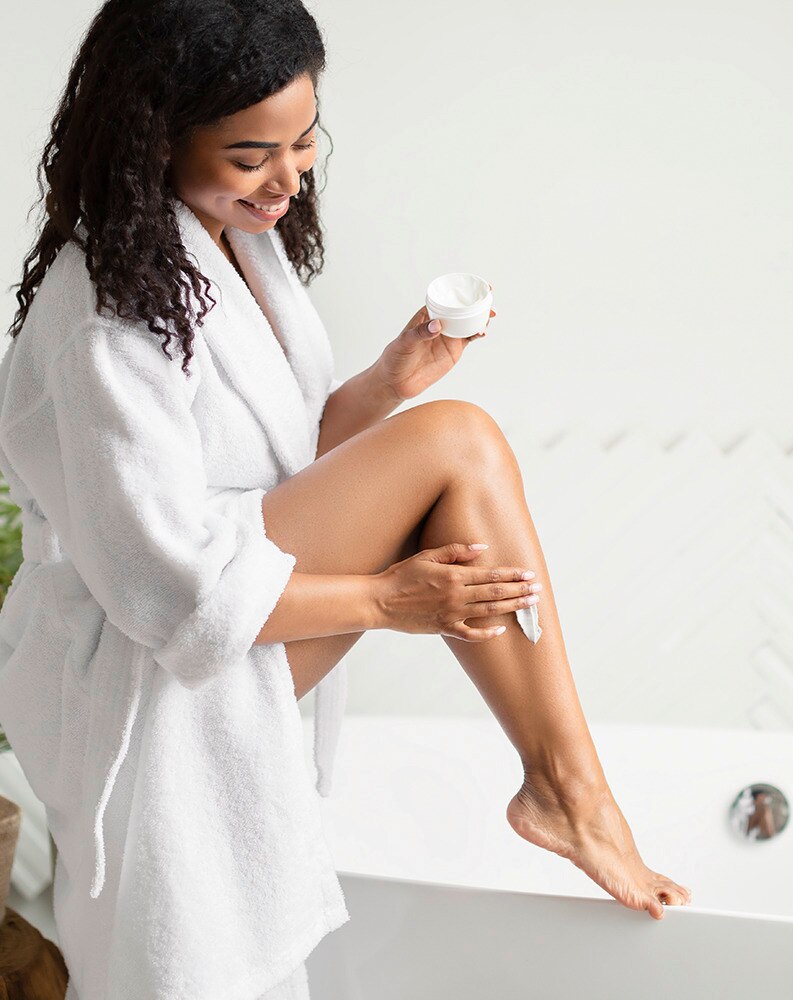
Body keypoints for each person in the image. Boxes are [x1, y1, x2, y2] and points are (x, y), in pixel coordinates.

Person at [0, 1, 691, 997]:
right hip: (144, 660)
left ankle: (565, 789)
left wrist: (386, 383)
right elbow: (167, 588)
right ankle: (567, 791)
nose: (289, 175)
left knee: (453, 438)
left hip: (224, 600)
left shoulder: (229, 239)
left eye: (304, 138)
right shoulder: (104, 315)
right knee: (457, 445)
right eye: (252, 154)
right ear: (153, 138)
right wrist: (387, 600)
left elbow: (270, 466)